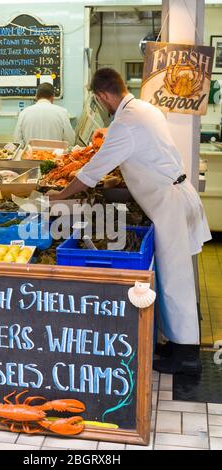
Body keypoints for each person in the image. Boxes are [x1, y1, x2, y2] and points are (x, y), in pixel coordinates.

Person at [47, 67, 212, 376]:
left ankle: (187, 356)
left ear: (102, 95)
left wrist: (60, 195)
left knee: (176, 282)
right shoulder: (145, 108)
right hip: (173, 197)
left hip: (170, 203)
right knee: (169, 278)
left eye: (99, 101)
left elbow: (93, 171)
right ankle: (176, 344)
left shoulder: (126, 121)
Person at [13, 82, 75, 147]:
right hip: (55, 156)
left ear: (36, 97)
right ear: (52, 97)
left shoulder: (24, 113)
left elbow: (17, 140)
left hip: (30, 156)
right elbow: (70, 141)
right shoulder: (62, 112)